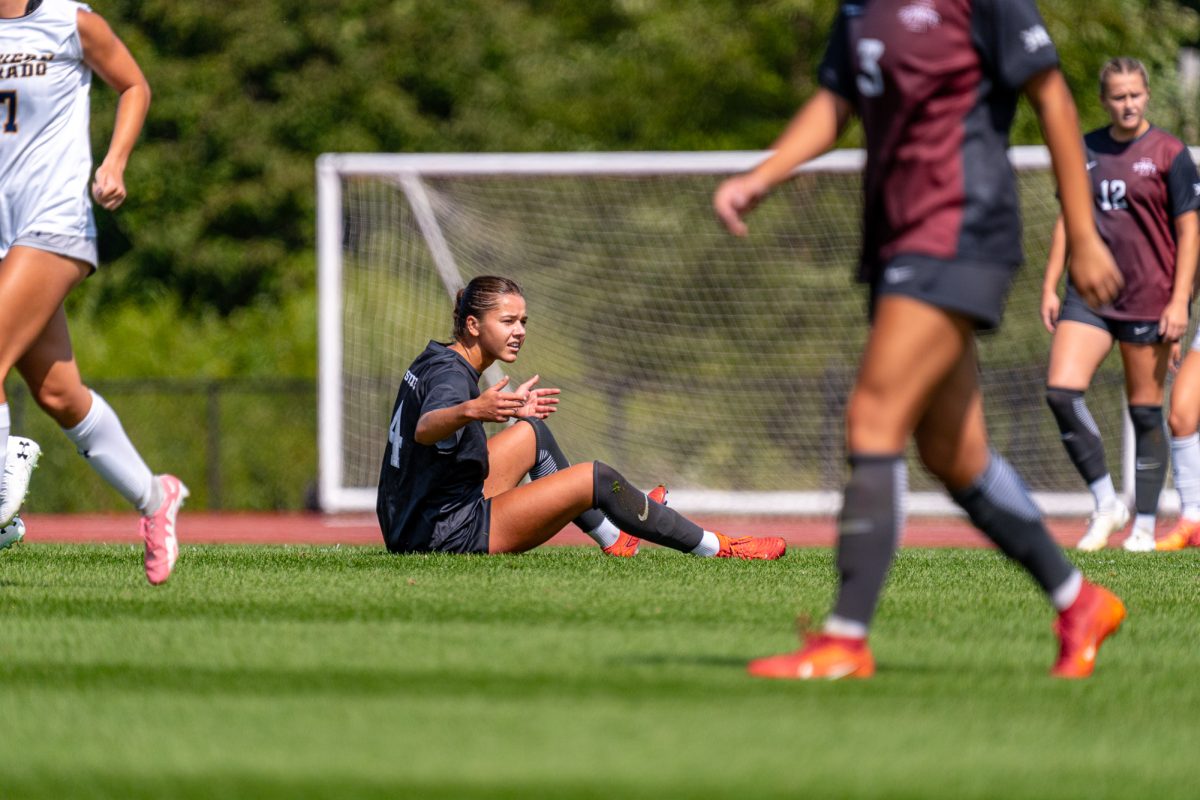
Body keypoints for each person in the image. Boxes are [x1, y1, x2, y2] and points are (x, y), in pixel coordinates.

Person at [714, 0, 1127, 679]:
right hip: (898, 244)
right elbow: (834, 103)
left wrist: (1082, 234)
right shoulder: (859, 8)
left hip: (960, 233)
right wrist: (762, 175)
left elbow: (1051, 100)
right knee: (953, 453)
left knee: (873, 417)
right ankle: (1079, 600)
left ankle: (846, 640)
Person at [376, 275, 787, 560]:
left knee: (531, 432)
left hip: (416, 519)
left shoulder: (439, 357)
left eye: (523, 321)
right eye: (507, 321)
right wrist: (474, 409)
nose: (519, 330)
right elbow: (427, 429)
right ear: (472, 324)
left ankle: (615, 537)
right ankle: (719, 547)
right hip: (443, 535)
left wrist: (491, 412)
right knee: (597, 478)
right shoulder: (453, 376)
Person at [0, 0, 187, 582]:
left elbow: (133, 85)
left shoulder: (68, 19)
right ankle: (156, 499)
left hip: (54, 223)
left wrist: (115, 162)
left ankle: (3, 490)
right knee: (59, 395)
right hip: (4, 235)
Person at [1040, 57, 1200, 553]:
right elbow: (1070, 218)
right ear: (1104, 100)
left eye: (1135, 94)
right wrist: (1050, 284)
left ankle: (1146, 528)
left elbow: (1190, 232)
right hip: (1090, 296)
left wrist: (1178, 303)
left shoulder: (1171, 154)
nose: (1127, 104)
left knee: (1146, 412)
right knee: (1061, 393)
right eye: (1118, 96)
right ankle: (1106, 502)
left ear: (1146, 95)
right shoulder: (1084, 149)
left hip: (1150, 300)